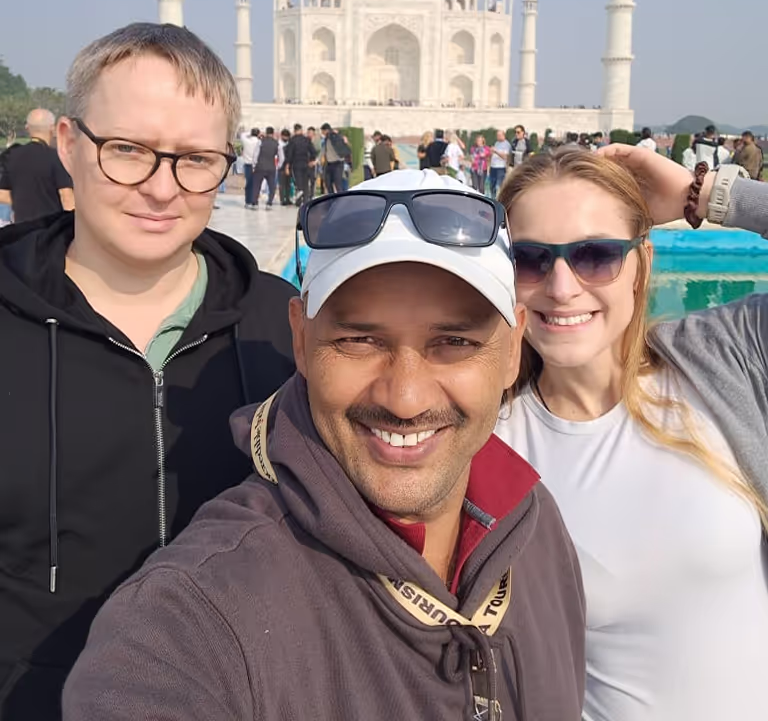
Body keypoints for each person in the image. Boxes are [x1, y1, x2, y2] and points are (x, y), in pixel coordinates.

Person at [64, 169, 587, 721]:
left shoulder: (532, 529)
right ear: (301, 340)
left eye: (453, 342)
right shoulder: (191, 621)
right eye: (359, 340)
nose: (405, 398)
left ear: (511, 353)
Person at [0, 23, 296, 720]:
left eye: (195, 159)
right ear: (69, 146)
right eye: (127, 150)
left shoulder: (280, 326)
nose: (162, 188)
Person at [496, 145, 768, 721]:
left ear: (642, 262)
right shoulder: (491, 444)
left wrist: (711, 196)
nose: (562, 286)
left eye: (595, 255)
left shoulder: (722, 366)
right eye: (531, 259)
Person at [0, 108, 75, 222]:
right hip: (50, 228)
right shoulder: (56, 157)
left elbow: (2, 194)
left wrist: (23, 202)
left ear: (27, 128)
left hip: (23, 228)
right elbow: (66, 196)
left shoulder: (12, 156)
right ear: (53, 129)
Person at [285, 123, 318, 205]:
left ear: (294, 130)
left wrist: (287, 164)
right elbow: (313, 151)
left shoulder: (292, 140)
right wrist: (312, 160)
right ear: (301, 130)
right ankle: (306, 200)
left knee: (298, 183)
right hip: (306, 164)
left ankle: (299, 201)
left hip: (296, 164)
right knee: (305, 183)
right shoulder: (306, 140)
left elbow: (289, 154)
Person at [252, 126, 279, 208]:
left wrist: (254, 165)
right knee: (272, 186)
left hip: (260, 166)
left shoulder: (260, 142)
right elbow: (280, 156)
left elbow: (255, 154)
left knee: (257, 185)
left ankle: (255, 203)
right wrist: (278, 166)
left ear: (266, 133)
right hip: (271, 167)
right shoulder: (276, 143)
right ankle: (269, 203)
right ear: (273, 133)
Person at [320, 122, 348, 194]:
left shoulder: (334, 136)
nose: (322, 133)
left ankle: (341, 199)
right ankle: (332, 198)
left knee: (337, 183)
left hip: (338, 163)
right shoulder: (326, 138)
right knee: (328, 182)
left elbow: (341, 140)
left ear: (326, 130)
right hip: (329, 163)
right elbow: (323, 150)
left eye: (323, 131)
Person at [240, 127, 260, 209]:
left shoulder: (246, 141)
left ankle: (247, 201)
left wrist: (250, 133)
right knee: (256, 184)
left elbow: (242, 135)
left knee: (248, 184)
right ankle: (254, 201)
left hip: (247, 164)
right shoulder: (259, 142)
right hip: (256, 165)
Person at [488, 129, 511, 198]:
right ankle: (493, 199)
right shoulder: (496, 143)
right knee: (492, 185)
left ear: (503, 135)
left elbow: (505, 157)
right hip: (493, 167)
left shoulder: (506, 144)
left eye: (499, 135)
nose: (497, 136)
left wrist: (495, 151)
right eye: (497, 135)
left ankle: (501, 199)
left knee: (500, 186)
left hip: (500, 167)